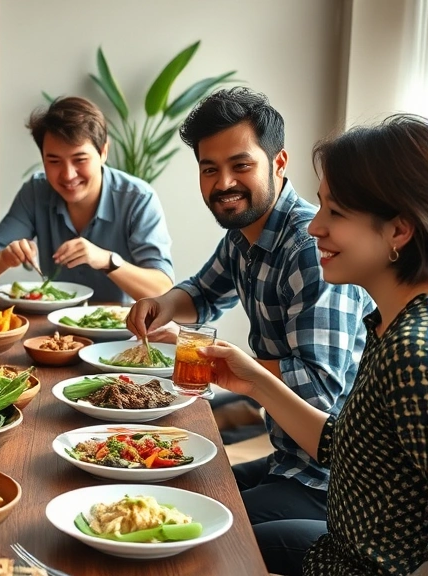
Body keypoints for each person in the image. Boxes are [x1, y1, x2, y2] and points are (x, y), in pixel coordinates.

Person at [125, 88, 372, 564]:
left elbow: (320, 387)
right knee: (162, 492)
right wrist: (160, 303)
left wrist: (239, 369)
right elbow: (201, 292)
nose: (224, 183)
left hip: (329, 477)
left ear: (278, 162)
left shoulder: (309, 247)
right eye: (209, 169)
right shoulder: (244, 232)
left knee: (175, 534)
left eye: (241, 166)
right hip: (288, 458)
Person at [200, 114, 428, 576]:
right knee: (204, 510)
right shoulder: (385, 323)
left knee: (206, 550)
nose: (314, 226)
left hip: (356, 564)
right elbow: (343, 446)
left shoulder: (414, 351)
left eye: (336, 214)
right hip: (338, 544)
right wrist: (256, 383)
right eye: (321, 206)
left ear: (399, 231)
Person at [0, 96, 175, 304]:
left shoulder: (138, 198)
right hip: (52, 328)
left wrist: (106, 260)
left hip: (120, 329)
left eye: (80, 160)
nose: (68, 175)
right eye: (54, 161)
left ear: (103, 151)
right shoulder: (36, 191)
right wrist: (4, 258)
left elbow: (162, 290)